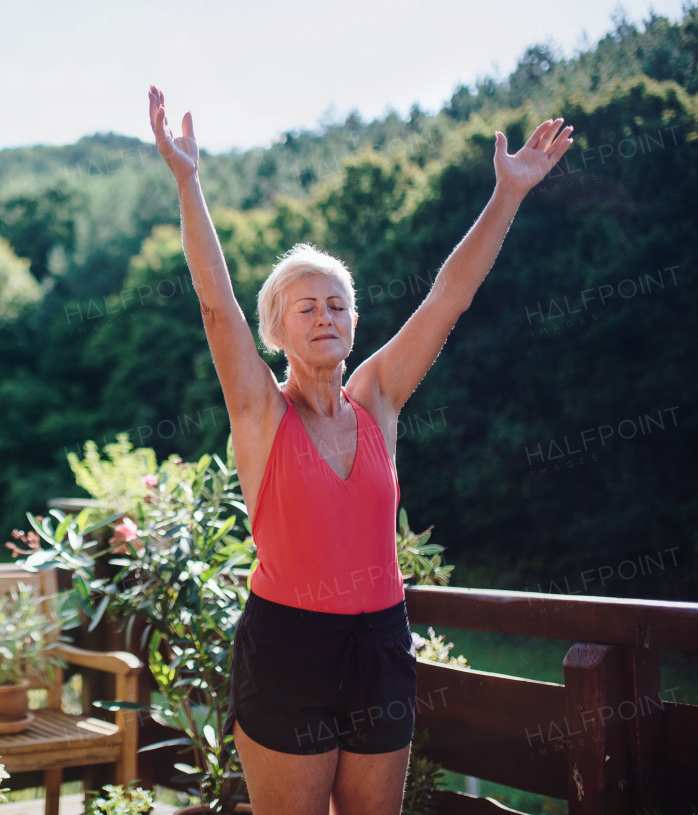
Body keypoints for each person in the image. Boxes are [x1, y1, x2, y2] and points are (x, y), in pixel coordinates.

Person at [147, 86, 574, 815]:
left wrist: (509, 194)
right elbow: (217, 304)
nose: (326, 316)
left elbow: (447, 298)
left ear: (354, 321)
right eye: (305, 307)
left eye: (338, 303)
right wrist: (189, 181)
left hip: (380, 641)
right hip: (288, 646)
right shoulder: (259, 410)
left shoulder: (376, 397)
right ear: (277, 330)